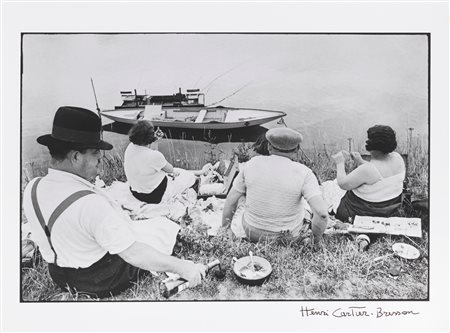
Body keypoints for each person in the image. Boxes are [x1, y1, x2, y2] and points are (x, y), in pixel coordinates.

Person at [23, 107, 206, 298]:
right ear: (76, 157)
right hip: (98, 279)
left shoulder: (33, 187)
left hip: (59, 275)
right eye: (95, 153)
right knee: (160, 230)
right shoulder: (90, 204)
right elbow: (133, 254)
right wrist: (183, 267)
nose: (100, 160)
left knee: (147, 228)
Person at [221, 127, 329, 246]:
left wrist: (226, 229)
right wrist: (315, 241)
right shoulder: (304, 172)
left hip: (252, 231)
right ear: (296, 150)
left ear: (269, 147)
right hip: (287, 236)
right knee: (306, 210)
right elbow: (322, 214)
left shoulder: (251, 164)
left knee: (244, 199)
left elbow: (231, 199)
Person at [332, 125, 406, 223]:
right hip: (390, 208)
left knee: (331, 186)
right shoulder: (398, 158)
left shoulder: (368, 169)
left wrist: (339, 163)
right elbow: (378, 174)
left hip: (362, 211)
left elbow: (342, 184)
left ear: (371, 144)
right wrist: (360, 161)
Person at [124, 120, 196, 204]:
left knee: (158, 170)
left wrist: (154, 140)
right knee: (188, 177)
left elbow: (148, 156)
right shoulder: (155, 156)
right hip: (153, 196)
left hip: (136, 193)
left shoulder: (130, 148)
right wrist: (154, 141)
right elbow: (170, 169)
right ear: (149, 137)